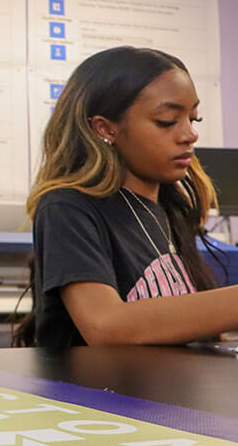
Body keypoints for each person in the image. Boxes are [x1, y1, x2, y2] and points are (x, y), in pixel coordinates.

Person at [13, 45, 236, 348]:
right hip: (94, 395)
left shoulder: (169, 208)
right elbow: (105, 326)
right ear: (105, 129)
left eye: (193, 119)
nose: (189, 134)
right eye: (168, 121)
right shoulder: (67, 207)